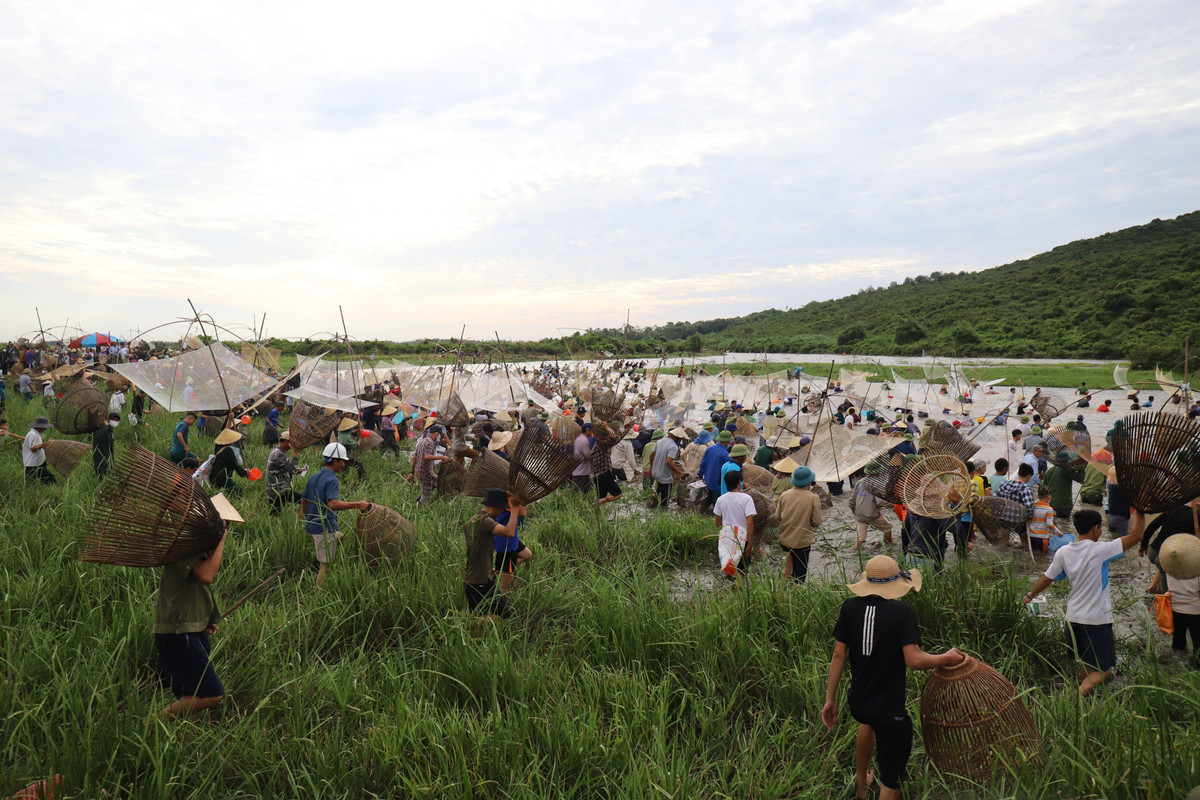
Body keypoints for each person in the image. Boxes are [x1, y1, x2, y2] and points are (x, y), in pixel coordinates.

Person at [822, 556, 965, 799]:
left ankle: (861, 787)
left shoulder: (849, 607)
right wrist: (944, 657)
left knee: (868, 723)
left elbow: (838, 654)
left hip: (859, 703)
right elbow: (914, 660)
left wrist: (830, 699)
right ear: (895, 586)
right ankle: (883, 787)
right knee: (891, 778)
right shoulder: (901, 613)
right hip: (890, 712)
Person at [1023, 508, 1146, 694]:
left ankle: (1086, 702)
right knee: (1104, 670)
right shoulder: (1101, 550)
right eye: (1100, 527)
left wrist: (1030, 595)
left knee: (1086, 664)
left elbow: (1047, 578)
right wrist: (1141, 513)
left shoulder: (1064, 552)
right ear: (1095, 528)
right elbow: (1136, 536)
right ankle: (1076, 697)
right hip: (1096, 620)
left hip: (1073, 619)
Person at [154, 521, 227, 718]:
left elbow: (195, 588)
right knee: (211, 694)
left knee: (192, 693)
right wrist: (221, 539)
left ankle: (181, 740)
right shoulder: (185, 540)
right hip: (179, 630)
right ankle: (150, 725)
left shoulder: (195, 541)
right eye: (224, 524)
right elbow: (206, 575)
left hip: (188, 627)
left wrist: (206, 617)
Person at [301, 442, 370, 587]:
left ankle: (319, 559)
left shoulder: (314, 476)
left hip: (313, 524)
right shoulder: (332, 480)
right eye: (342, 462)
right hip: (323, 527)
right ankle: (317, 593)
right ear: (335, 461)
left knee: (339, 536)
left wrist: (306, 517)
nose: (344, 465)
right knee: (325, 567)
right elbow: (332, 504)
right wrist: (357, 504)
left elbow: (304, 500)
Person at [464, 489, 525, 618]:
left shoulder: (474, 520)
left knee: (479, 617)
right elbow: (509, 532)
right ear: (495, 507)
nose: (503, 512)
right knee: (504, 615)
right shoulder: (484, 521)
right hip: (480, 580)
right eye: (503, 508)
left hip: (473, 578)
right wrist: (514, 508)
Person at [777, 466, 823, 581]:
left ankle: (784, 585)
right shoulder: (813, 498)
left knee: (790, 562)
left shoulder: (784, 494)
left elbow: (778, 516)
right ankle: (797, 590)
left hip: (785, 539)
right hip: (801, 542)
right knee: (800, 573)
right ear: (808, 483)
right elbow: (817, 522)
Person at [714, 469, 758, 580]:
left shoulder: (720, 500)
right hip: (742, 538)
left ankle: (730, 591)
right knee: (742, 571)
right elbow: (749, 521)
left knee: (729, 567)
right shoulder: (747, 499)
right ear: (739, 483)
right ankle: (739, 592)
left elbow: (718, 523)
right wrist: (750, 543)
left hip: (727, 538)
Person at [996, 463, 1037, 547]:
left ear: (1018, 473)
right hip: (1019, 521)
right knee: (1025, 544)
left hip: (1004, 520)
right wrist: (1030, 519)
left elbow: (995, 499)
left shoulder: (1004, 485)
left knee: (1004, 543)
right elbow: (1029, 507)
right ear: (1029, 476)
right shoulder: (1026, 489)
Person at [409, 425, 450, 504]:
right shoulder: (430, 442)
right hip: (425, 472)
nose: (439, 438)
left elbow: (414, 457)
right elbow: (427, 457)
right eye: (439, 435)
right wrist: (442, 457)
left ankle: (424, 499)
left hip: (420, 471)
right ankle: (421, 505)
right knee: (428, 490)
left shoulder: (421, 441)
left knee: (437, 483)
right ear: (436, 434)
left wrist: (411, 472)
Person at [1166, 570, 1200, 663]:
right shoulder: (1195, 571)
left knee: (1178, 641)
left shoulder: (1170, 569)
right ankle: (1195, 665)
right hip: (1195, 611)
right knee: (1197, 643)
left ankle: (1176, 662)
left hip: (1175, 609)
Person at [266, 431, 302, 516]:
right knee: (304, 500)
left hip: (275, 489)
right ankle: (302, 520)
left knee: (275, 515)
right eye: (291, 443)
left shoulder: (277, 452)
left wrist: (300, 470)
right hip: (279, 490)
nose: (291, 446)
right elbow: (291, 470)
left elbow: (287, 468)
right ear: (287, 442)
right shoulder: (278, 454)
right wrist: (295, 454)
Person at [850, 476, 892, 549]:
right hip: (871, 515)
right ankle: (888, 546)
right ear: (878, 473)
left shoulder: (860, 481)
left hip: (859, 515)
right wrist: (895, 504)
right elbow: (881, 501)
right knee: (888, 528)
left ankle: (855, 552)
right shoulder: (876, 484)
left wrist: (855, 511)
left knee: (860, 539)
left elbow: (851, 500)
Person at [1042, 450, 1083, 521]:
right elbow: (1081, 479)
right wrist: (1082, 470)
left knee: (1054, 523)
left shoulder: (1049, 471)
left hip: (1051, 504)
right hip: (1064, 505)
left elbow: (1043, 488)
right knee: (1064, 523)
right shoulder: (1066, 470)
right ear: (1066, 461)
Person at [651, 427, 686, 509]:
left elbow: (651, 455)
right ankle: (663, 510)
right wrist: (680, 473)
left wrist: (652, 467)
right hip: (665, 476)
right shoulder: (674, 446)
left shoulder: (660, 441)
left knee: (660, 485)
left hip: (655, 472)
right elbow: (669, 461)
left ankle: (655, 495)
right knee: (665, 500)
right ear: (677, 437)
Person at [699, 430, 734, 510]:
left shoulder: (710, 448)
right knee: (717, 501)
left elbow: (703, 463)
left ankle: (701, 511)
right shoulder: (726, 455)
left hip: (708, 479)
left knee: (711, 495)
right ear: (727, 441)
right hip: (718, 482)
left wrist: (700, 475)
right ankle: (715, 517)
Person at [209, 428, 249, 496]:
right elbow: (234, 465)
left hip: (214, 474)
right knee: (238, 491)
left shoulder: (218, 446)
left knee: (214, 493)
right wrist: (245, 473)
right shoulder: (228, 451)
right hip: (222, 476)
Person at [1028, 484, 1062, 554]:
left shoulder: (1033, 506)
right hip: (1042, 538)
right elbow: (1049, 524)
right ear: (1049, 497)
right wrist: (1059, 532)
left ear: (1038, 496)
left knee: (1034, 554)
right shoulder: (1049, 509)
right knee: (1044, 557)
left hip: (1031, 537)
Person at [22, 416, 56, 484]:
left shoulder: (36, 434)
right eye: (44, 427)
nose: (45, 429)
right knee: (30, 480)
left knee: (47, 477)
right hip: (33, 463)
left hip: (38, 461)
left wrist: (44, 443)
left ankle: (52, 486)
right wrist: (46, 443)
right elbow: (33, 448)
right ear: (39, 426)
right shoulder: (33, 434)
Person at [92, 412, 120, 478]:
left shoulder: (108, 430)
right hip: (101, 462)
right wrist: (107, 426)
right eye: (113, 419)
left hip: (107, 460)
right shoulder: (104, 431)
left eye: (117, 420)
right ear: (108, 420)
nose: (116, 422)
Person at [571, 423, 593, 491]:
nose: (592, 432)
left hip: (584, 470)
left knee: (589, 490)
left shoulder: (579, 438)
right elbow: (588, 455)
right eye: (591, 430)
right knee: (575, 492)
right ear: (588, 431)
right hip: (581, 471)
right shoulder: (584, 440)